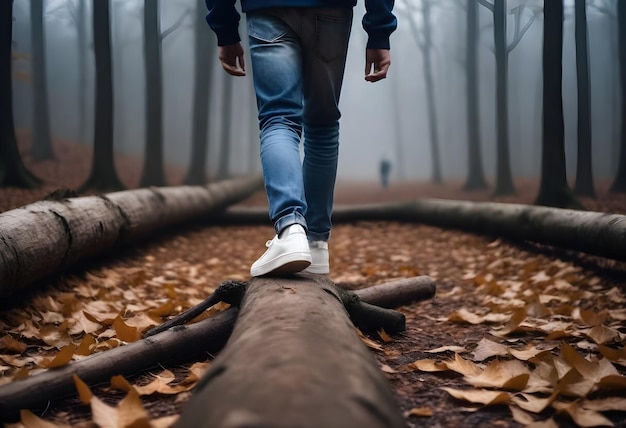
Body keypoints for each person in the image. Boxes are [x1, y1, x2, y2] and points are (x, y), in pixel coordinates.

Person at [205, 0, 396, 276]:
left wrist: (225, 28)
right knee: (323, 123)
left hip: (268, 8)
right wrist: (379, 32)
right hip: (330, 11)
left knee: (279, 119)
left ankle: (290, 229)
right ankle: (316, 243)